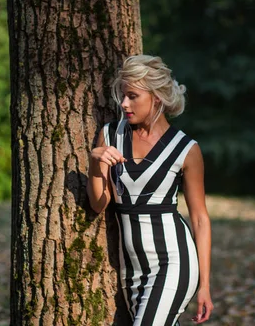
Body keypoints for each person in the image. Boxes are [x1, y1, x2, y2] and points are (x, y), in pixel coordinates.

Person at [87, 55, 213, 325]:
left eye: (133, 96)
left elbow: (200, 220)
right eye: (123, 95)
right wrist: (95, 164)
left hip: (174, 262)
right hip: (131, 270)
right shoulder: (110, 135)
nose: (124, 104)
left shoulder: (186, 149)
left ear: (156, 97)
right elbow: (99, 204)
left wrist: (205, 285)